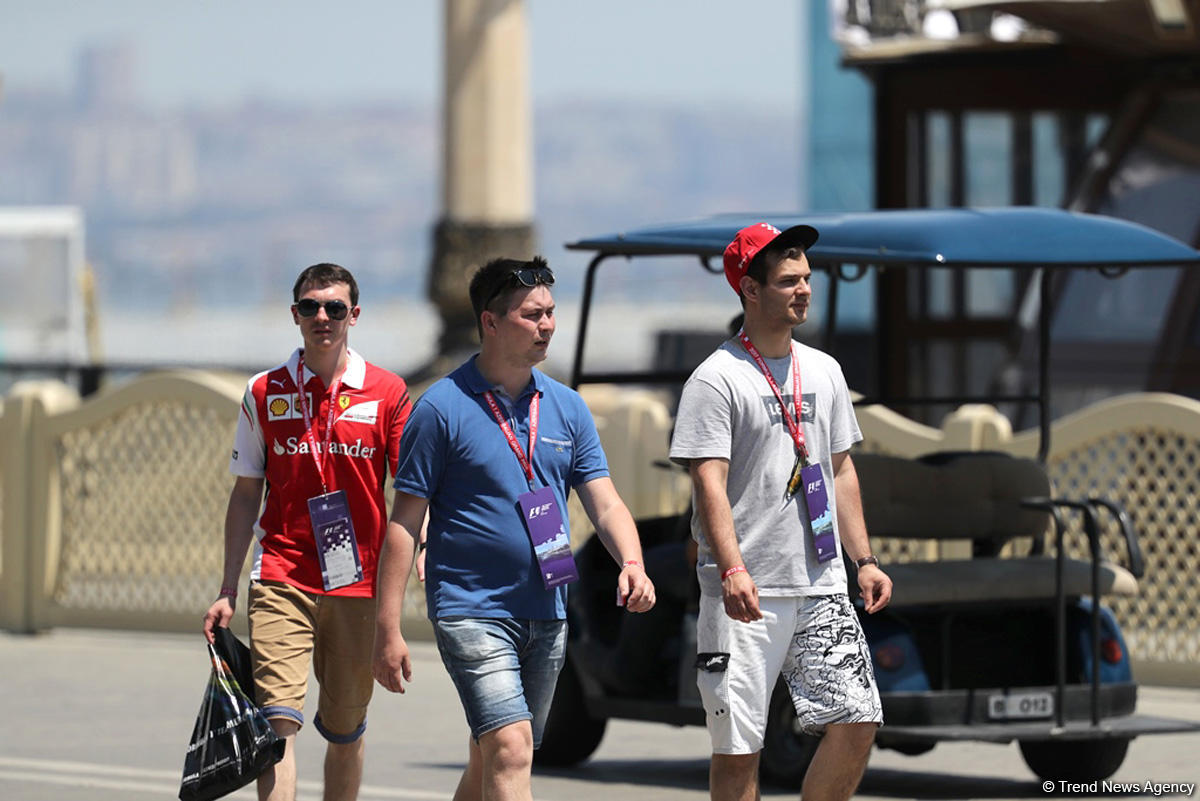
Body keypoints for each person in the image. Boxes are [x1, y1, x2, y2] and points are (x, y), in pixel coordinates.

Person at [372, 256, 656, 801]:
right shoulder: (440, 409)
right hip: (470, 607)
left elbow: (606, 500)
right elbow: (404, 524)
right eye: (532, 314)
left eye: (550, 312)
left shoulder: (567, 407)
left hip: (547, 609)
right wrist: (387, 630)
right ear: (491, 322)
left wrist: (634, 563)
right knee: (511, 749)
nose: (546, 324)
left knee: (490, 754)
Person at [668, 222, 893, 801]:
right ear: (750, 290)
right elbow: (708, 484)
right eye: (789, 280)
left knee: (857, 720)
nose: (804, 290)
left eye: (806, 279)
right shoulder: (714, 380)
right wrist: (733, 568)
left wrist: (863, 559)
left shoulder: (825, 370)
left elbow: (839, 470)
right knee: (739, 753)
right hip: (744, 594)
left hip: (821, 584)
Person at [203, 263, 412, 801]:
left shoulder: (387, 392)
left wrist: (412, 576)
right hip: (281, 574)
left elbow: (412, 498)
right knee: (278, 727)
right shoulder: (263, 390)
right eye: (310, 307)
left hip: (358, 584)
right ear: (294, 314)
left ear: (354, 316)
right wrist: (228, 587)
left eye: (335, 308)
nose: (322, 317)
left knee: (344, 731)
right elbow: (246, 492)